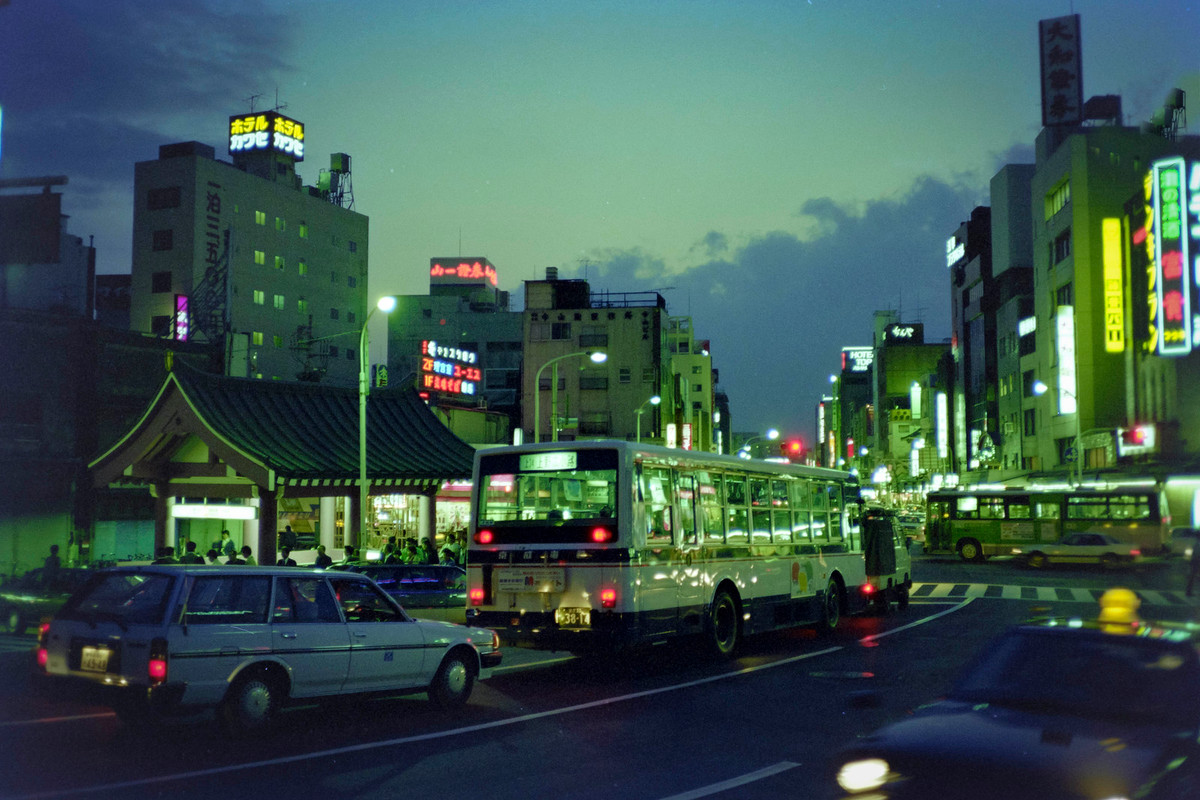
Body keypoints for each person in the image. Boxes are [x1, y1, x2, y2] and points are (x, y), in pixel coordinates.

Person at [1187, 530, 1200, 597]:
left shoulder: (1196, 543)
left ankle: (1188, 591)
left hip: (1194, 561)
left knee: (1192, 577)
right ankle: (1188, 591)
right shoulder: (1197, 544)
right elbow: (1197, 554)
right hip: (1196, 562)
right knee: (1192, 577)